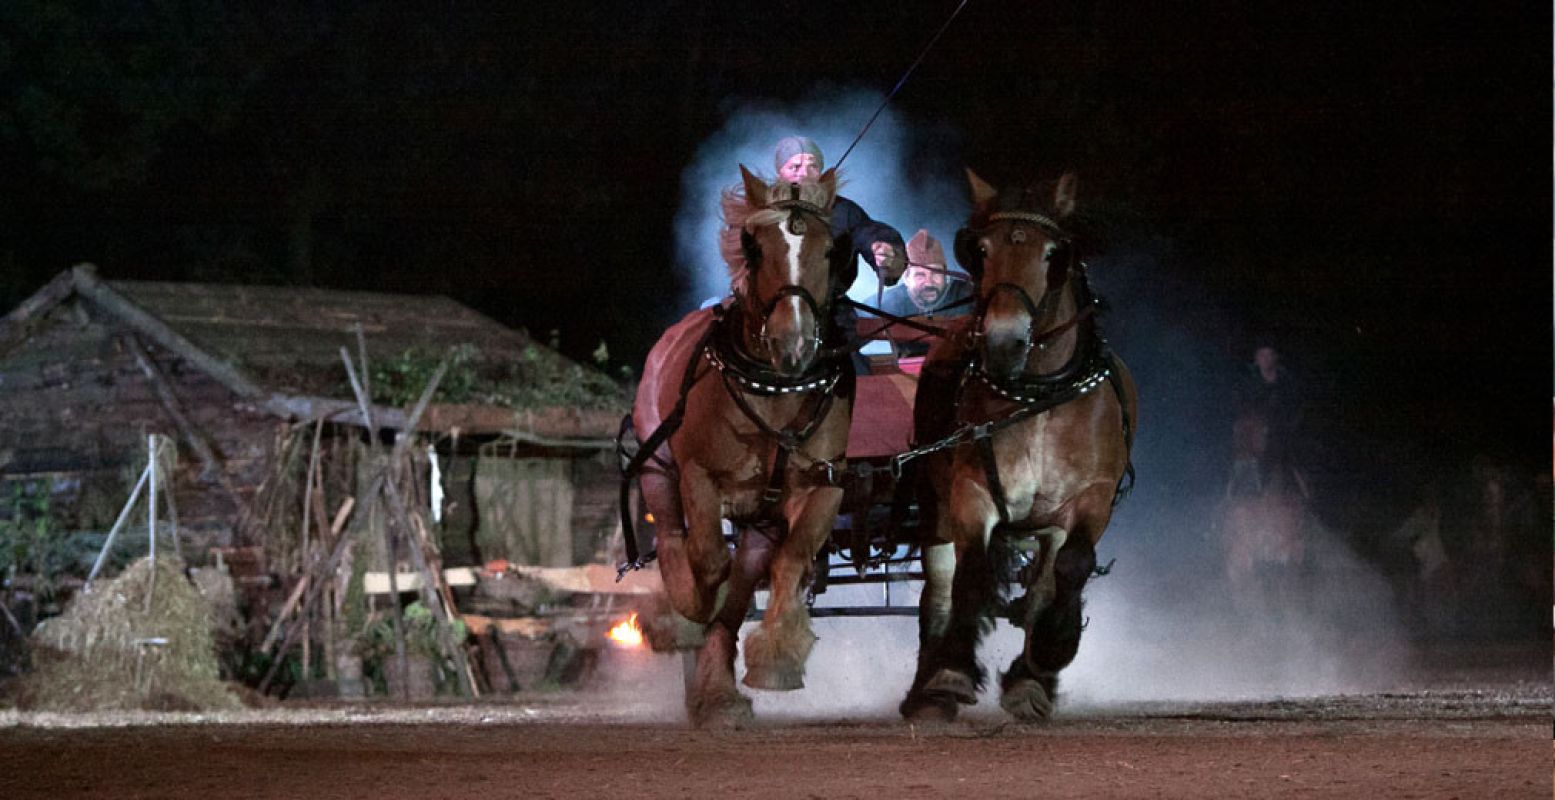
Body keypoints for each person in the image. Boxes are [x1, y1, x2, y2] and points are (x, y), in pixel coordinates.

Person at [772, 136, 905, 285]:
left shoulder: (843, 211)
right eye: (795, 167)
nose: (804, 173)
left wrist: (886, 252)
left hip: (829, 304)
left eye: (813, 166)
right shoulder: (762, 210)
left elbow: (869, 233)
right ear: (780, 173)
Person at [877, 229, 973, 356]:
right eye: (920, 275)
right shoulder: (888, 303)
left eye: (936, 273)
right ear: (906, 278)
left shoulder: (970, 295)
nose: (929, 283)